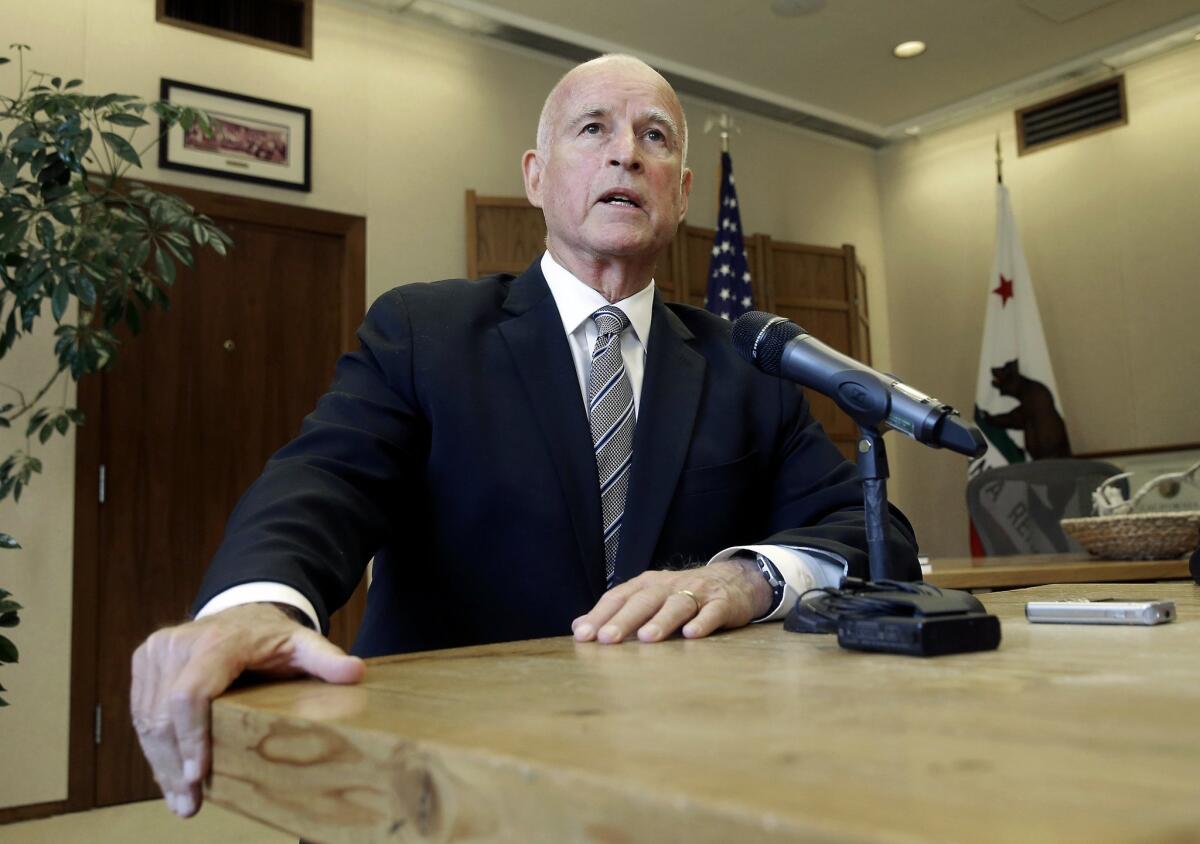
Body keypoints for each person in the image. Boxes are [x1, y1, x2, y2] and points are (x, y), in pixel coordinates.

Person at [131, 54, 919, 819]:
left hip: (681, 778)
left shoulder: (747, 367)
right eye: (593, 129)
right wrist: (254, 603)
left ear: (680, 194)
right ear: (536, 177)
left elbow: (874, 531)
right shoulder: (424, 331)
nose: (624, 152)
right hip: (438, 774)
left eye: (654, 137)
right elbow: (325, 483)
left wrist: (745, 579)